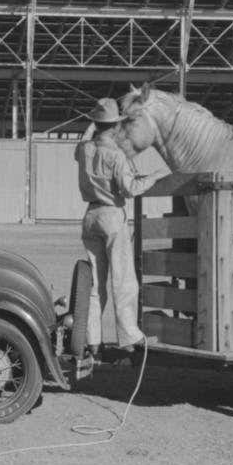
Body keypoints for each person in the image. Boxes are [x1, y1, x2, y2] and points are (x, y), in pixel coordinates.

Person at [74, 97, 163, 358]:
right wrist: (154, 177)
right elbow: (131, 189)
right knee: (123, 280)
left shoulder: (84, 150)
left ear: (95, 124)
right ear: (114, 127)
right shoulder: (115, 155)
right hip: (112, 215)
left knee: (95, 285)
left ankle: (93, 343)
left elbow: (84, 139)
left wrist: (92, 125)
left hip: (90, 215)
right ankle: (129, 338)